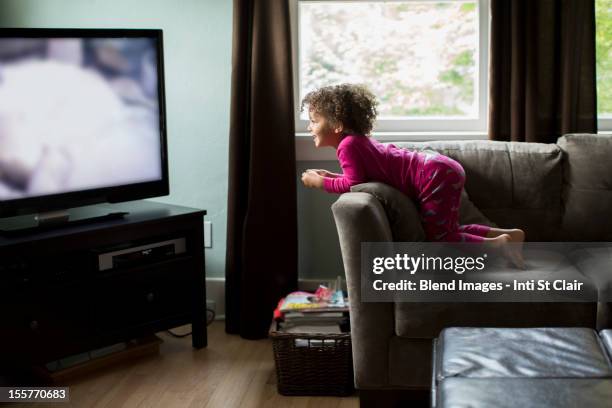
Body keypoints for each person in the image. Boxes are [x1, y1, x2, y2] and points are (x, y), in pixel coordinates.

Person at [300, 83, 524, 267]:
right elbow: (359, 178)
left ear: (337, 125)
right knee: (448, 230)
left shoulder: (347, 146)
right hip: (440, 169)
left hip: (433, 175)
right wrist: (329, 175)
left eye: (314, 121)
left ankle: (499, 245)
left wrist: (321, 183)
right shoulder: (355, 142)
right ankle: (508, 235)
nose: (309, 127)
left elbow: (354, 183)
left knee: (440, 239)